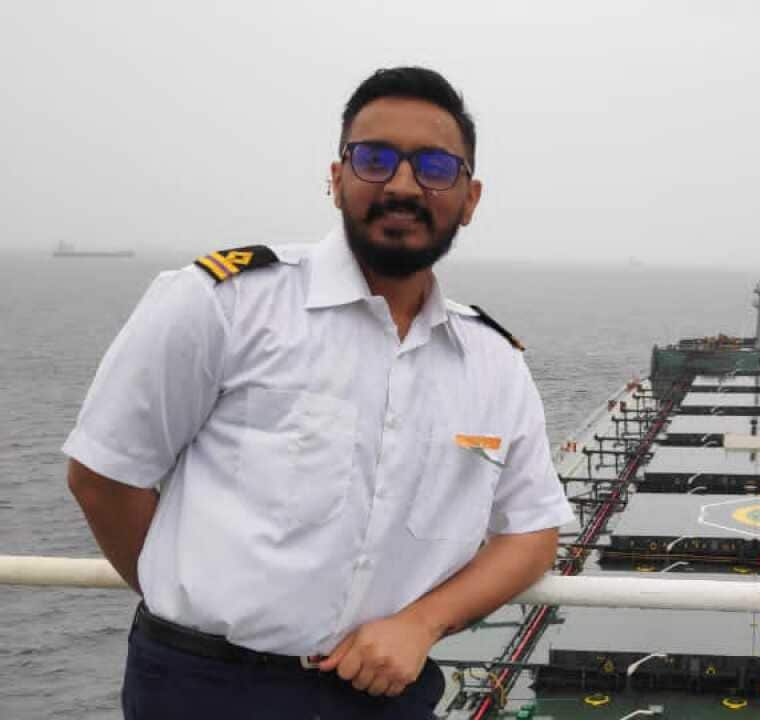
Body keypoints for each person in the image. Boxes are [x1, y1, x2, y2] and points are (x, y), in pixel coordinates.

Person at [64, 66, 573, 719]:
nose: (401, 185)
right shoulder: (224, 302)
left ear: (469, 199)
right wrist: (191, 606)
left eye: (435, 167)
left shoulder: (493, 362)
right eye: (375, 158)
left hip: (385, 692)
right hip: (202, 690)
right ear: (336, 179)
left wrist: (422, 624)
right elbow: (103, 478)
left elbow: (530, 531)